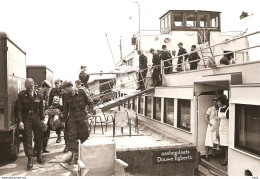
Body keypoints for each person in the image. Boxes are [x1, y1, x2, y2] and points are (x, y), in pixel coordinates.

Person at [62, 81, 94, 165]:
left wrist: (90, 113)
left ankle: (83, 154)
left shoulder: (82, 92)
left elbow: (91, 103)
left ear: (69, 87)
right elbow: (65, 109)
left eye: (65, 89)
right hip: (72, 116)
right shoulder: (66, 96)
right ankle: (74, 155)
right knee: (72, 136)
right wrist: (63, 120)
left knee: (84, 135)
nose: (65, 91)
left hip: (82, 115)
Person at [17, 78, 45, 169]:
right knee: (27, 138)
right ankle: (30, 159)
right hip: (26, 118)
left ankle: (39, 155)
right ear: (26, 87)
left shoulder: (39, 95)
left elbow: (41, 109)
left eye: (31, 86)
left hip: (36, 117)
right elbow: (19, 110)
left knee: (38, 137)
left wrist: (42, 120)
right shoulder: (21, 95)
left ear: (34, 86)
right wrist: (20, 121)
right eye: (28, 87)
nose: (30, 89)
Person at [39, 80, 52, 153]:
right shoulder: (38, 93)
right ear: (44, 87)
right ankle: (38, 149)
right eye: (48, 88)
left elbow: (46, 105)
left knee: (46, 132)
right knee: (39, 134)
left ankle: (44, 148)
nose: (48, 90)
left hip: (45, 115)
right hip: (39, 116)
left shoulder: (46, 94)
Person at [48, 79, 63, 143]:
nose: (57, 85)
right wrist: (49, 107)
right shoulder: (53, 90)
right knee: (54, 122)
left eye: (58, 84)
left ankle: (61, 137)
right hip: (54, 108)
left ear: (60, 84)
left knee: (61, 122)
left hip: (61, 108)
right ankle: (58, 136)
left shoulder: (62, 90)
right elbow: (50, 100)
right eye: (55, 84)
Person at [217, 95, 229, 166]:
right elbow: (219, 120)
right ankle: (225, 158)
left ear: (222, 102)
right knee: (223, 145)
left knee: (226, 145)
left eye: (218, 102)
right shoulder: (219, 109)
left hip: (227, 130)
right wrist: (218, 130)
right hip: (221, 128)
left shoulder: (228, 109)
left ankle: (226, 160)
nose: (217, 103)